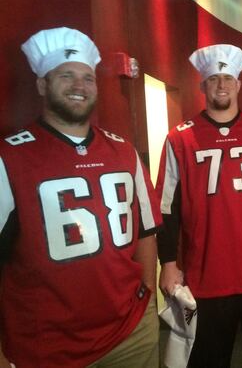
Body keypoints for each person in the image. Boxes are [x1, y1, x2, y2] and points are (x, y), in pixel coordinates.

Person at [0, 27, 162, 367]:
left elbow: (146, 229)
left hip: (130, 331)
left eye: (88, 78)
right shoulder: (9, 158)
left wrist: (147, 294)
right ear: (42, 84)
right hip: (47, 347)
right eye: (66, 76)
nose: (79, 86)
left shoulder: (123, 150)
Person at [155, 44, 242, 368]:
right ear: (202, 86)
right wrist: (169, 263)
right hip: (207, 278)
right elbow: (166, 208)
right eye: (214, 78)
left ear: (239, 84)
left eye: (228, 78)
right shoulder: (179, 138)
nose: (222, 85)